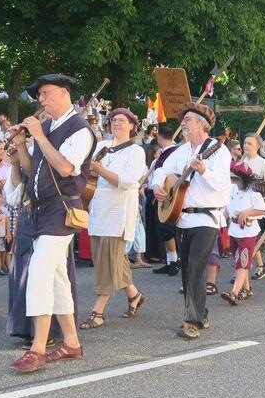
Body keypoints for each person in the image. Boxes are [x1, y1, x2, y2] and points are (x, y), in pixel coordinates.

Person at [9, 74, 95, 370]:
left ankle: (37, 349)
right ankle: (71, 343)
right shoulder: (47, 126)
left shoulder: (80, 128)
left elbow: (66, 167)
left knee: (39, 272)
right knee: (57, 279)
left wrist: (39, 136)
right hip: (41, 210)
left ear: (63, 93)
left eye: (45, 94)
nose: (41, 100)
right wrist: (21, 145)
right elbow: (34, 170)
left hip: (61, 210)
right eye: (39, 96)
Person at [148, 101, 230, 341]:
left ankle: (191, 320)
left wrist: (204, 171)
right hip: (183, 217)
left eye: (188, 120)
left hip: (207, 216)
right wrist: (157, 187)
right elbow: (162, 172)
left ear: (202, 125)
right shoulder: (182, 151)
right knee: (187, 270)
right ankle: (201, 313)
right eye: (183, 120)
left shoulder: (218, 150)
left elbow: (223, 185)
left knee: (195, 266)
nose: (183, 123)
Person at [79, 107, 147, 329]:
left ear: (132, 126)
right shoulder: (102, 146)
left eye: (122, 120)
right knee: (112, 260)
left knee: (108, 263)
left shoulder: (135, 152)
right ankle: (134, 295)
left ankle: (98, 312)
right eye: (113, 120)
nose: (116, 123)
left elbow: (128, 181)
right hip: (99, 210)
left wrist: (100, 170)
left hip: (118, 213)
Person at [220, 161, 265, 305]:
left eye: (236, 178)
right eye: (232, 178)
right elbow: (227, 209)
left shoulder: (253, 193)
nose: (233, 180)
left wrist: (247, 212)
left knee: (242, 261)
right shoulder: (232, 189)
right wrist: (220, 223)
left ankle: (234, 292)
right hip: (234, 229)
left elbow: (263, 210)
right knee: (238, 260)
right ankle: (246, 289)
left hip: (248, 231)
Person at [239, 133, 265, 280]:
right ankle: (251, 268)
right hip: (240, 205)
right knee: (241, 238)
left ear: (258, 146)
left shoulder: (263, 163)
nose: (246, 146)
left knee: (251, 238)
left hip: (256, 206)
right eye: (245, 143)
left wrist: (259, 185)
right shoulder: (240, 163)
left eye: (250, 143)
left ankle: (245, 270)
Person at [146, 126, 181, 274]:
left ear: (159, 138)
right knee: (162, 228)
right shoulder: (165, 153)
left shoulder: (174, 152)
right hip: (160, 193)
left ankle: (175, 261)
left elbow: (173, 174)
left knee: (167, 229)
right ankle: (170, 260)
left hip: (168, 194)